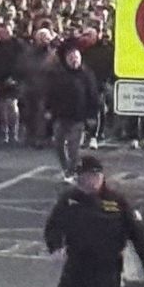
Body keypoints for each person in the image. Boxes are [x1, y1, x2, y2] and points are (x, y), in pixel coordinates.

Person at [43, 156, 144, 287]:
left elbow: (140, 237)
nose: (83, 183)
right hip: (76, 268)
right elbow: (53, 226)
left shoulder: (118, 203)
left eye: (87, 178)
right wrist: (55, 247)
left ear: (98, 177)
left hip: (107, 273)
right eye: (80, 178)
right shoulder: (70, 199)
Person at [48, 45, 100, 184]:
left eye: (76, 58)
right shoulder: (59, 74)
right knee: (58, 145)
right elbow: (50, 93)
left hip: (78, 117)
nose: (74, 61)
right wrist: (49, 110)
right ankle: (65, 168)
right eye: (71, 58)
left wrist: (92, 116)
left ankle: (71, 172)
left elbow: (93, 96)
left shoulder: (87, 75)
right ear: (66, 59)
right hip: (60, 116)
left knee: (73, 148)